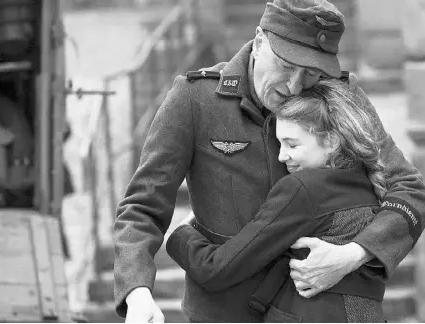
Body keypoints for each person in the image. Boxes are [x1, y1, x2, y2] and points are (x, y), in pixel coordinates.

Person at [113, 0, 425, 322]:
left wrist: (352, 255)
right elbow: (142, 207)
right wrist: (137, 292)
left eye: (310, 73)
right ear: (260, 40)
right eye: (286, 65)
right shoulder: (194, 97)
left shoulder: (340, 99)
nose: (295, 86)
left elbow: (409, 191)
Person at [166, 78, 394, 322]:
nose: (282, 156)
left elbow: (217, 269)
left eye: (292, 145)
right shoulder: (369, 183)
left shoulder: (303, 189)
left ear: (331, 141)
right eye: (279, 143)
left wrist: (179, 237)